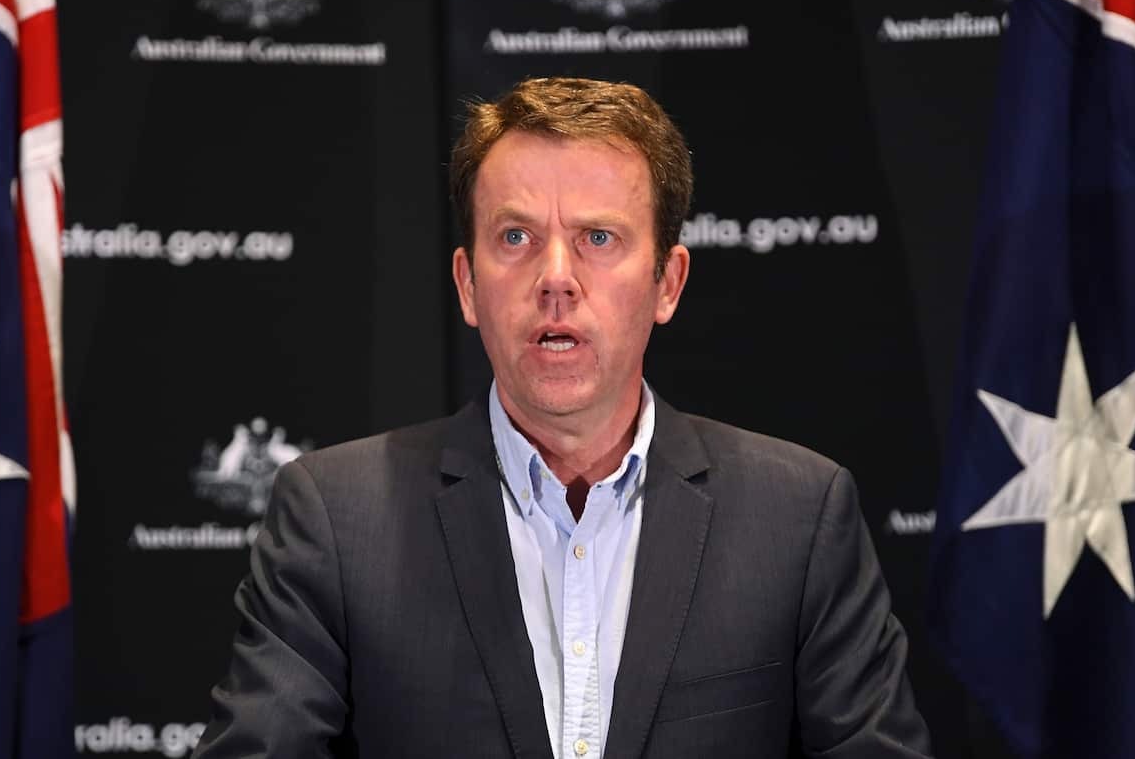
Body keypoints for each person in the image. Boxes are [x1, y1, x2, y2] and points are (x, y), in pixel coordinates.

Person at [191, 77, 933, 758]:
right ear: (468, 284)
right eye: (515, 237)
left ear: (667, 282)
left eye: (597, 238)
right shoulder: (337, 517)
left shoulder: (797, 516)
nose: (555, 278)